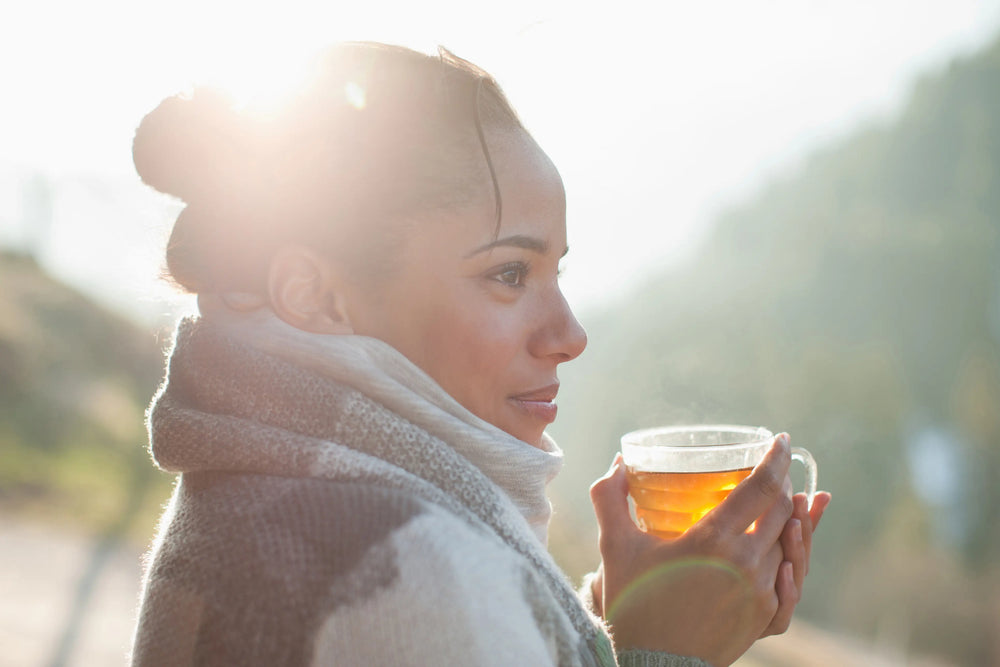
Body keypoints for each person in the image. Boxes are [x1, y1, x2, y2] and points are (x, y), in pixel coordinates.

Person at [130, 42, 830, 667]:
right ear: (316, 294)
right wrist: (667, 654)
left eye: (557, 271)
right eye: (509, 274)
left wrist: (604, 615)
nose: (570, 333)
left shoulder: (262, 496)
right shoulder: (413, 574)